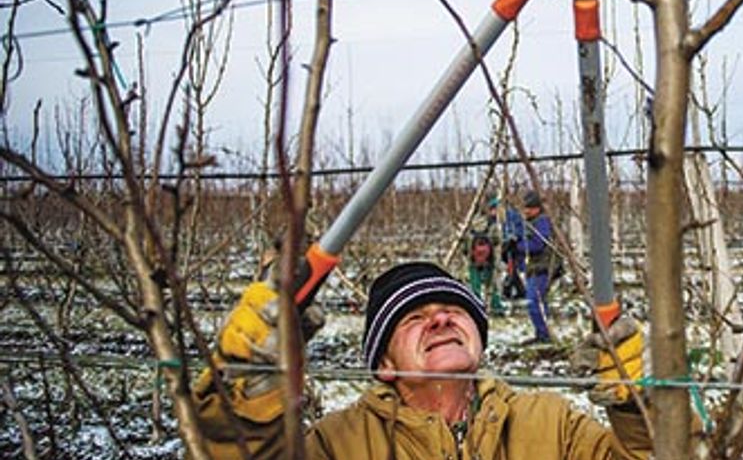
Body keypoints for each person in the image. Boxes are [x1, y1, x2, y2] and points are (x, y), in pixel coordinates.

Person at [193, 261, 650, 459]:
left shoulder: (550, 425)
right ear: (385, 364)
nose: (439, 320)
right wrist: (243, 399)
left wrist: (641, 409)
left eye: (453, 310)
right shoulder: (338, 445)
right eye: (413, 318)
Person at [521, 189, 557, 344]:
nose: (526, 211)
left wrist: (518, 245)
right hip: (535, 267)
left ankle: (544, 335)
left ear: (537, 208)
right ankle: (542, 333)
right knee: (539, 302)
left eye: (529, 208)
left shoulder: (542, 222)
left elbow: (538, 245)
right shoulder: (531, 222)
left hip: (542, 267)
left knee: (534, 301)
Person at [467, 223, 504, 316]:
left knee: (491, 286)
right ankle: (478, 307)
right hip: (475, 264)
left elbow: (498, 241)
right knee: (476, 287)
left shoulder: (493, 227)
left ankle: (496, 307)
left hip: (488, 263)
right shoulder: (471, 237)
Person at [499, 196, 527, 301]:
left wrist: (511, 239)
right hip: (508, 245)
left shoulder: (511, 215)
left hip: (512, 246)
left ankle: (510, 291)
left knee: (512, 268)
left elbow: (514, 231)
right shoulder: (504, 215)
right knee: (512, 269)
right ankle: (519, 291)